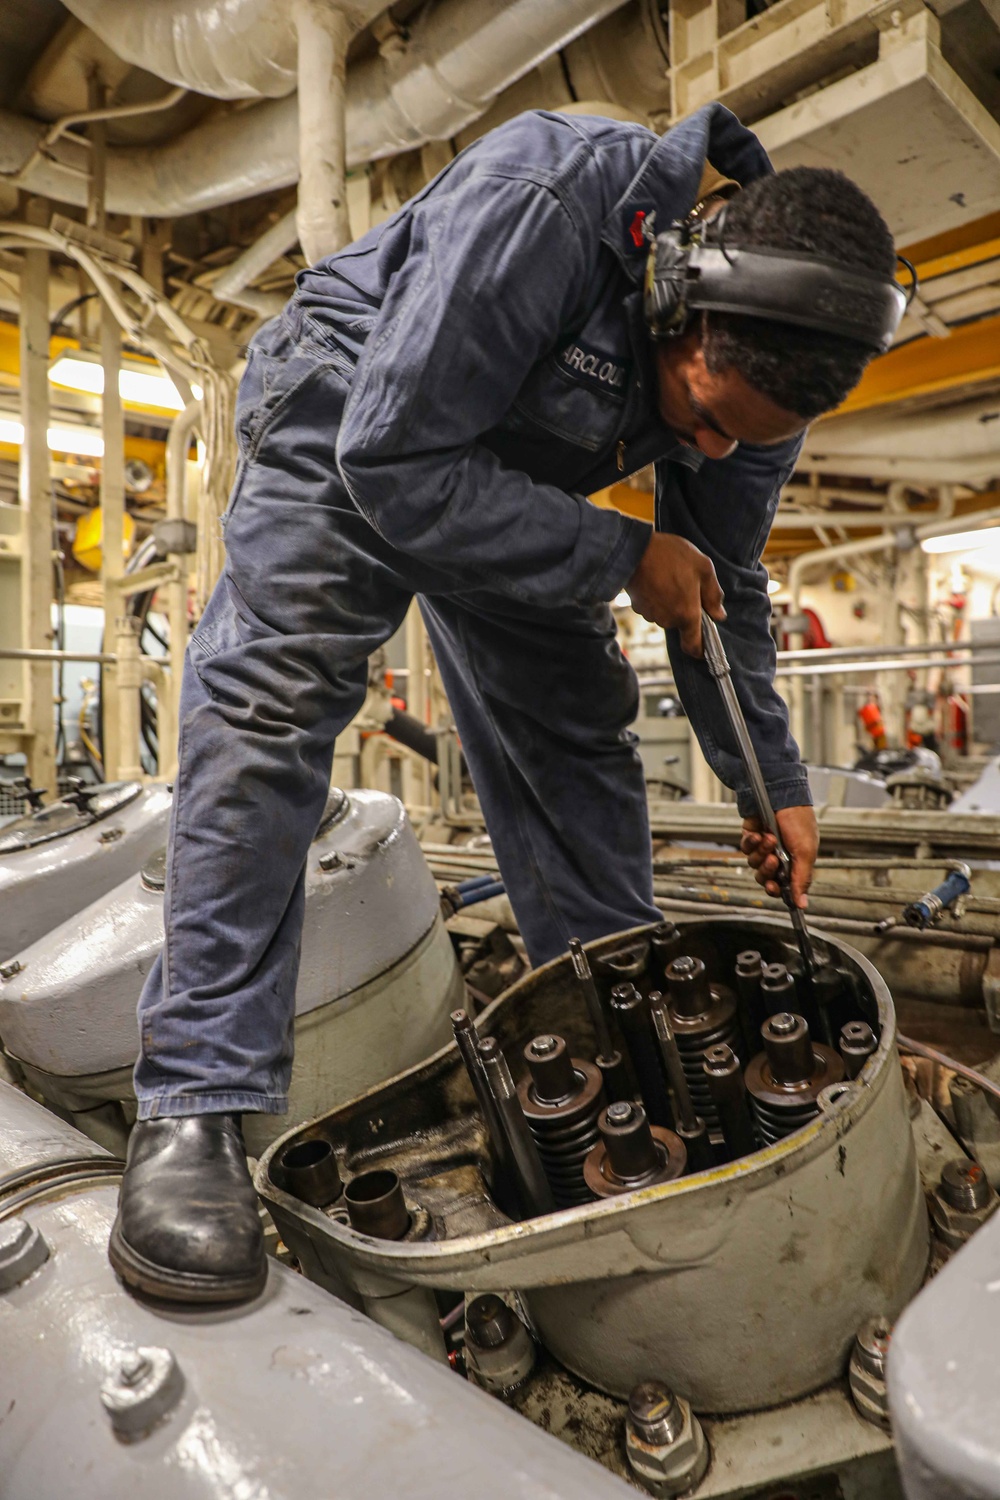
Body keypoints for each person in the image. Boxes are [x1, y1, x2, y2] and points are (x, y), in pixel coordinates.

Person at [109, 103, 899, 1304]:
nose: (711, 451)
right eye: (697, 418)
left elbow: (722, 585)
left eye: (745, 442)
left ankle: (607, 1036)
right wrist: (623, 556)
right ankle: (195, 1109)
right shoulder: (549, 196)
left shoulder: (768, 371)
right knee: (271, 711)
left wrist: (771, 785)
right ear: (678, 292)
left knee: (576, 733)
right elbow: (395, 462)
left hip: (509, 478)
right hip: (355, 412)